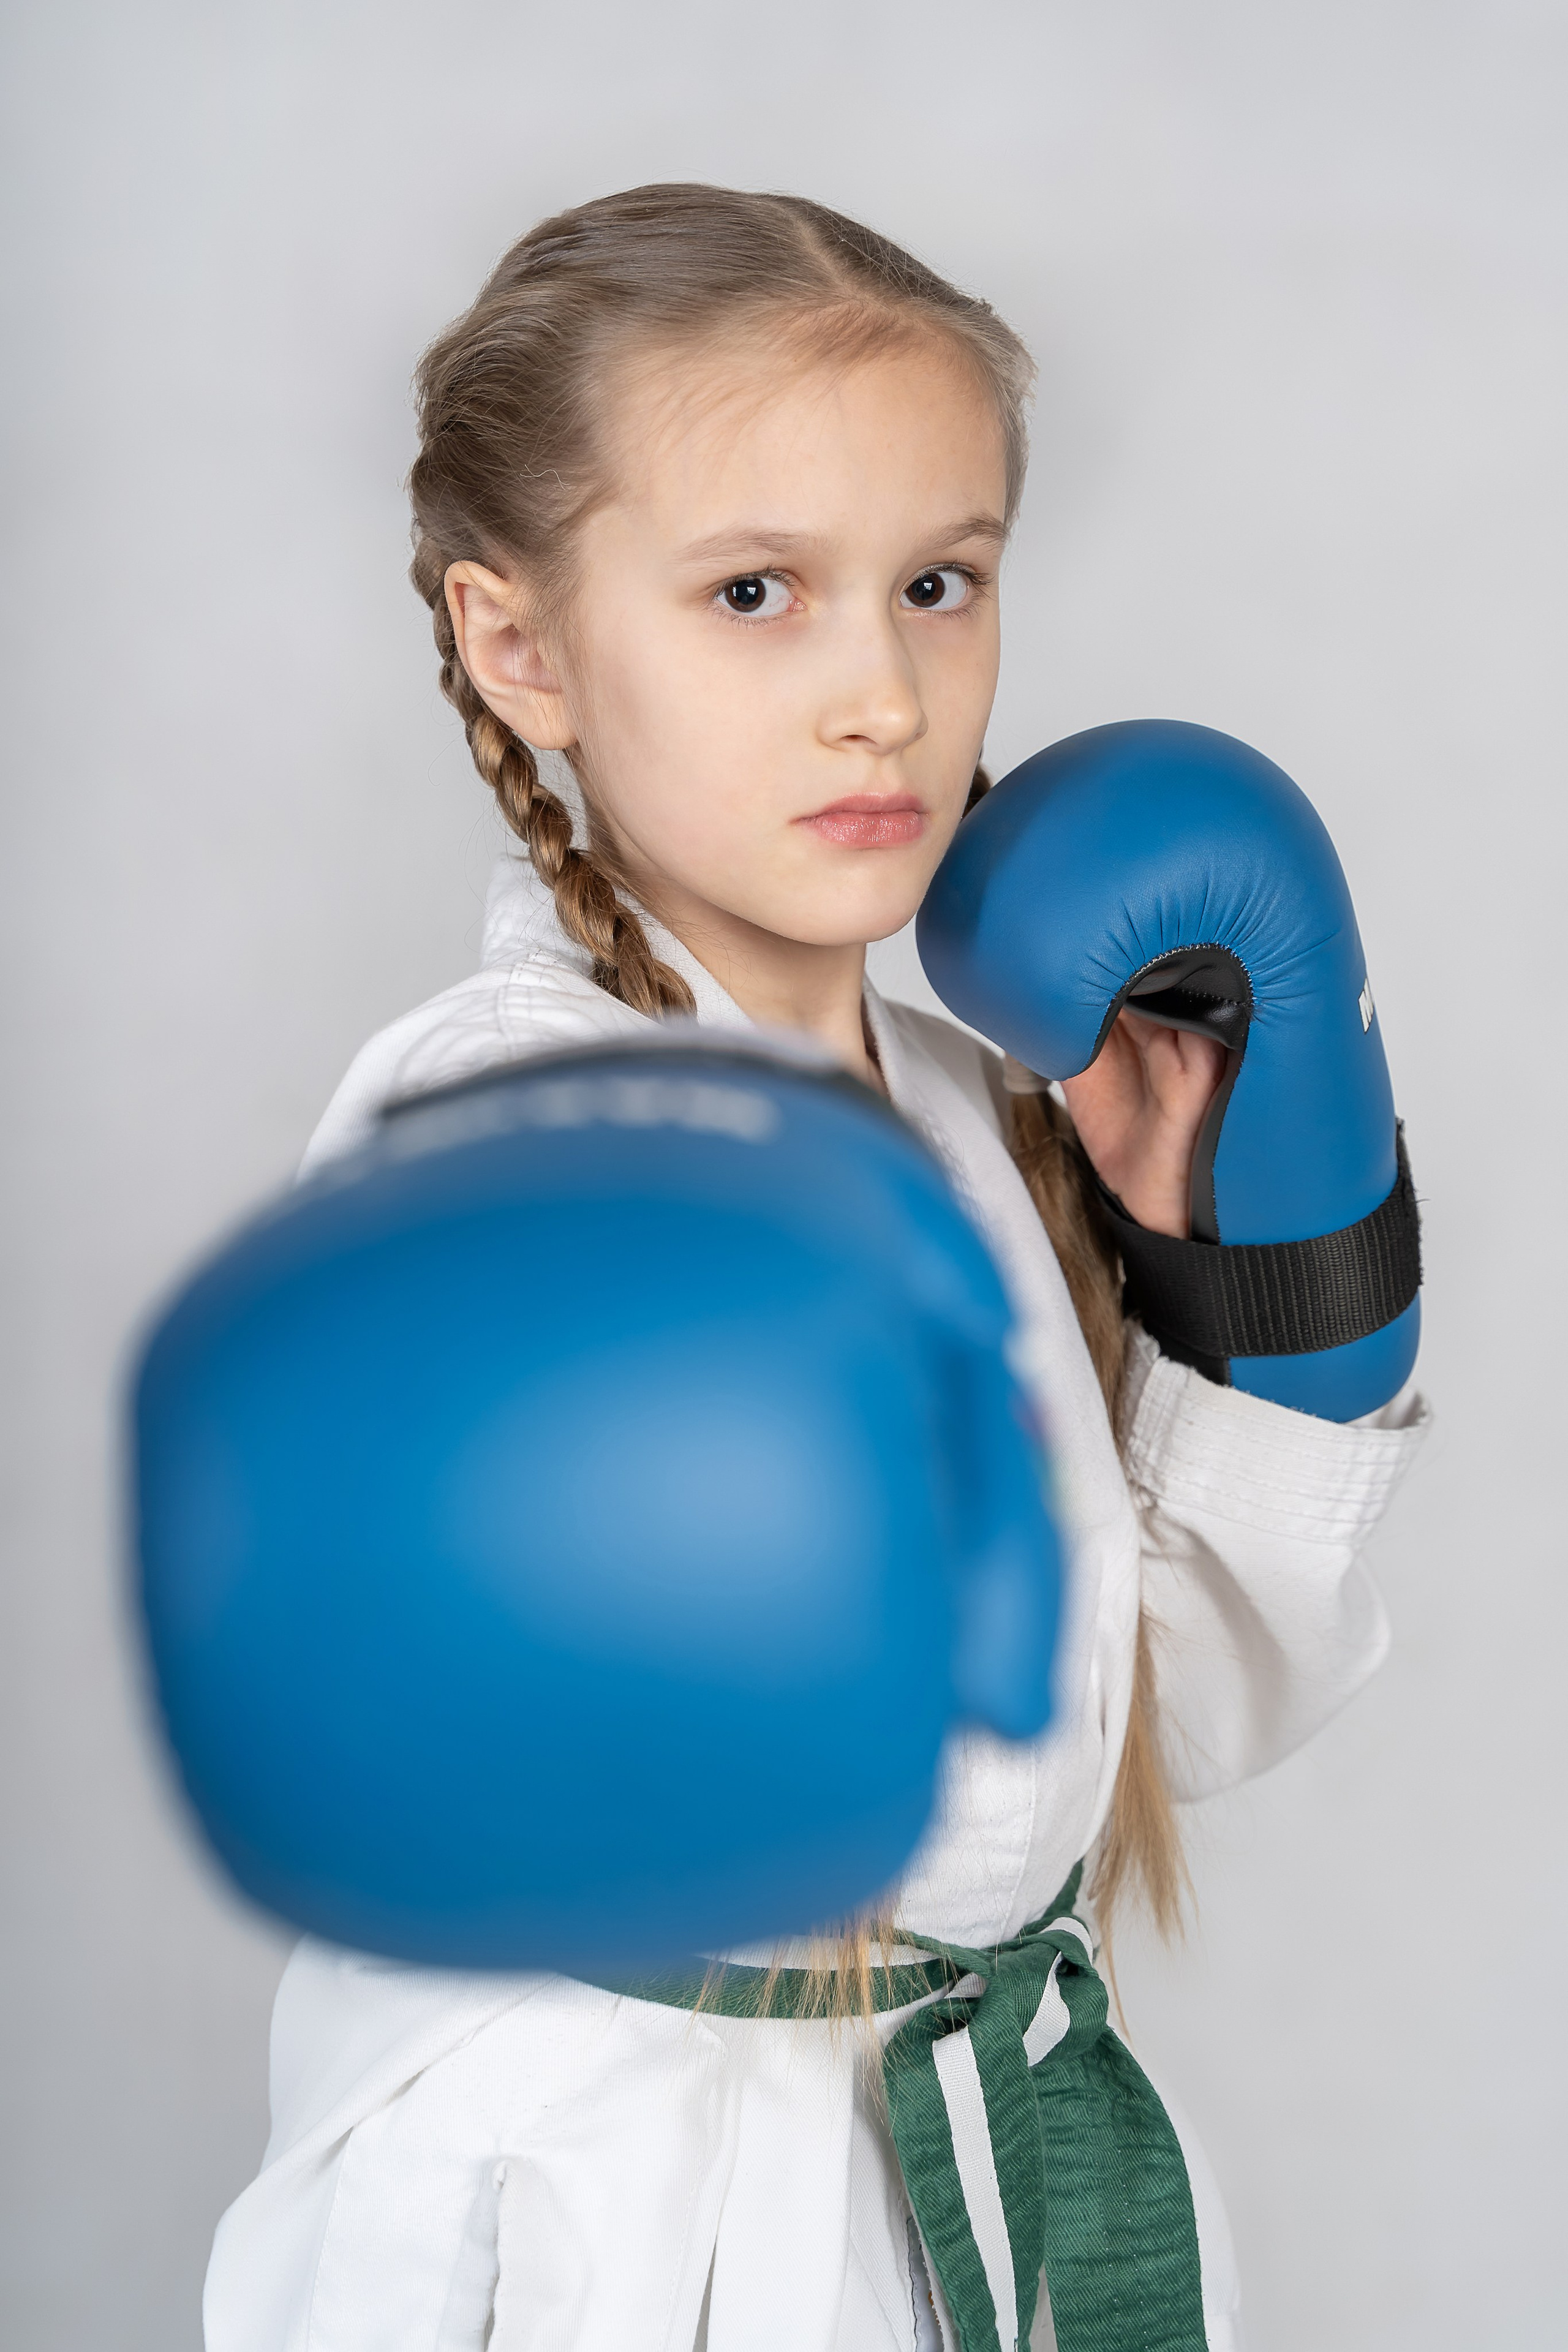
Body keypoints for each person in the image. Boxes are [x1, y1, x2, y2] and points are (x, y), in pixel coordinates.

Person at [203, 184, 1427, 2352]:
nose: (884, 693)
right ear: (521, 644)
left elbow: (1150, 1732)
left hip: (949, 2161)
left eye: (940, 584)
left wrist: (1257, 1284)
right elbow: (928, 1823)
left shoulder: (963, 1111)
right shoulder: (512, 1125)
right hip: (616, 2220)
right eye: (757, 591)